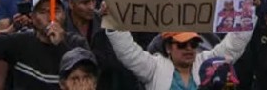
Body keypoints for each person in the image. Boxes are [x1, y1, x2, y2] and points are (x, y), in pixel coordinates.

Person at [0, 0, 89, 90]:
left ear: (64, 15)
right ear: (33, 17)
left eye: (56, 10)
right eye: (43, 12)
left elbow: (85, 79)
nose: (51, 17)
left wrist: (60, 44)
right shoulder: (21, 41)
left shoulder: (77, 44)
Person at [107, 28, 252, 90]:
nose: (189, 48)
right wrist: (113, 25)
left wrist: (248, 11)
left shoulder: (206, 62)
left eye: (194, 44)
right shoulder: (154, 67)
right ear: (168, 47)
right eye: (182, 44)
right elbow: (128, 52)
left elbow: (233, 47)